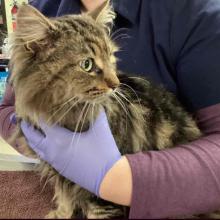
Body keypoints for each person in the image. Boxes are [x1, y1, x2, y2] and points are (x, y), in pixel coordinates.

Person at [1, 0, 220, 218]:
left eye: (110, 59)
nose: (114, 82)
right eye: (88, 65)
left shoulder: (196, 12)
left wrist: (117, 179)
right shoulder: (42, 6)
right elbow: (8, 108)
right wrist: (37, 139)